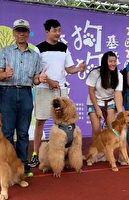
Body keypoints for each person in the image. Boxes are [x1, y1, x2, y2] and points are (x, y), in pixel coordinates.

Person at [28, 19, 85, 168]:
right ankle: (35, 155)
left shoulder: (64, 48)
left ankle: (63, 156)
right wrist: (49, 81)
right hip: (43, 89)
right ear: (47, 31)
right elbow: (36, 73)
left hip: (61, 91)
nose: (58, 33)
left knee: (63, 122)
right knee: (40, 121)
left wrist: (78, 69)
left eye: (59, 30)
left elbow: (69, 69)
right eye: (55, 30)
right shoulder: (38, 49)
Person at [0, 19, 44, 177]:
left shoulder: (35, 56)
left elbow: (35, 80)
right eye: (18, 30)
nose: (21, 33)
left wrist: (39, 79)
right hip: (7, 92)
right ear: (14, 33)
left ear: (28, 33)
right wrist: (5, 74)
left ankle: (22, 164)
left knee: (23, 132)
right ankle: (6, 164)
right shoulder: (5, 51)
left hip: (26, 93)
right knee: (7, 131)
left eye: (24, 31)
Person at [86, 51, 123, 135]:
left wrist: (120, 112)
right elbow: (91, 92)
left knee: (112, 129)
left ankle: (108, 148)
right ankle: (96, 147)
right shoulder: (95, 73)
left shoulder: (119, 75)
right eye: (110, 61)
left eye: (114, 61)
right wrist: (98, 109)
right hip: (94, 102)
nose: (113, 64)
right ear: (104, 62)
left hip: (109, 102)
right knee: (96, 130)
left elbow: (118, 94)